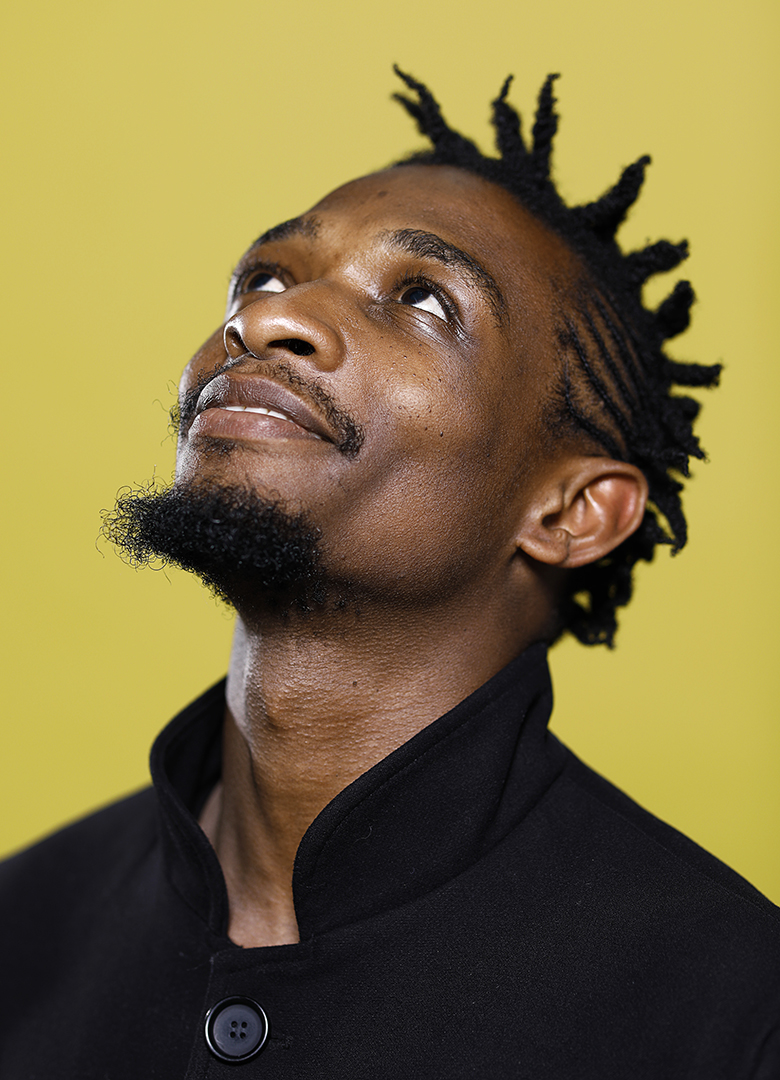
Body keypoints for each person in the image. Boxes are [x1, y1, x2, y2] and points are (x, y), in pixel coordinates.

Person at [1, 68, 778, 1079]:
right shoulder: (24, 927)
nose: (270, 320)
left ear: (571, 512)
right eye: (263, 278)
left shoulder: (729, 1014)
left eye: (422, 299)